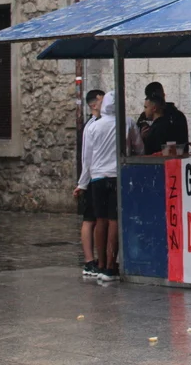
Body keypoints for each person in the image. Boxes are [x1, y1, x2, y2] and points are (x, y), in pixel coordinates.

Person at [73, 91, 132, 283]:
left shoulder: (93, 126)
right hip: (116, 175)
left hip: (97, 177)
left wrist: (82, 183)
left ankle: (100, 264)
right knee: (114, 220)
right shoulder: (127, 122)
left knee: (100, 220)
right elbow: (137, 147)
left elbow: (87, 158)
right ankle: (110, 265)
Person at [79, 89, 105, 279]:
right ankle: (89, 261)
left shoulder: (103, 123)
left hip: (98, 176)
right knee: (90, 219)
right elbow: (86, 157)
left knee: (99, 219)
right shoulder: (91, 126)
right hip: (92, 177)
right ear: (94, 104)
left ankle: (100, 259)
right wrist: (83, 183)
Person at [139, 82, 189, 148]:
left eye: (156, 96)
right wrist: (141, 138)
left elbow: (182, 141)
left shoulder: (177, 115)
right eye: (151, 96)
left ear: (163, 95)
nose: (155, 98)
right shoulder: (144, 116)